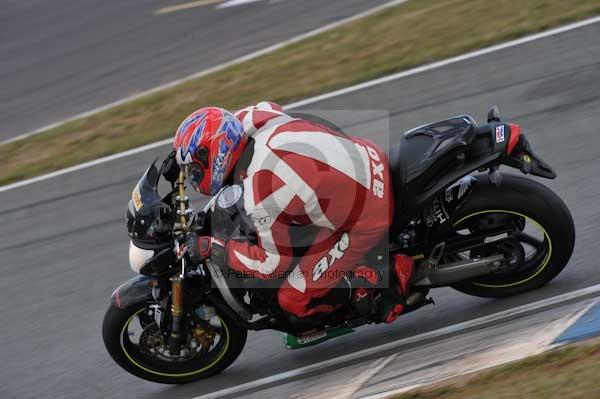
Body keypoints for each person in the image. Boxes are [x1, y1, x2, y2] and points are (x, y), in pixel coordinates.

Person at [172, 101, 414, 324]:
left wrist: (214, 248)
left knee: (292, 297)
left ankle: (386, 277)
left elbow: (272, 264)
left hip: (369, 215)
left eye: (194, 169)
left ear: (217, 154)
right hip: (367, 157)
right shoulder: (251, 117)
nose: (193, 176)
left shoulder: (262, 191)